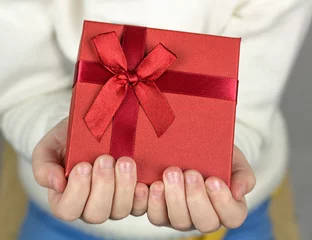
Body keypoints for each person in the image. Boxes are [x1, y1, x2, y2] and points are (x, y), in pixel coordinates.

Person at [0, 1, 311, 240]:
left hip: (228, 210)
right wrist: (62, 141)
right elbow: (23, 89)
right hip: (62, 203)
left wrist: (217, 166)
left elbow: (245, 108)